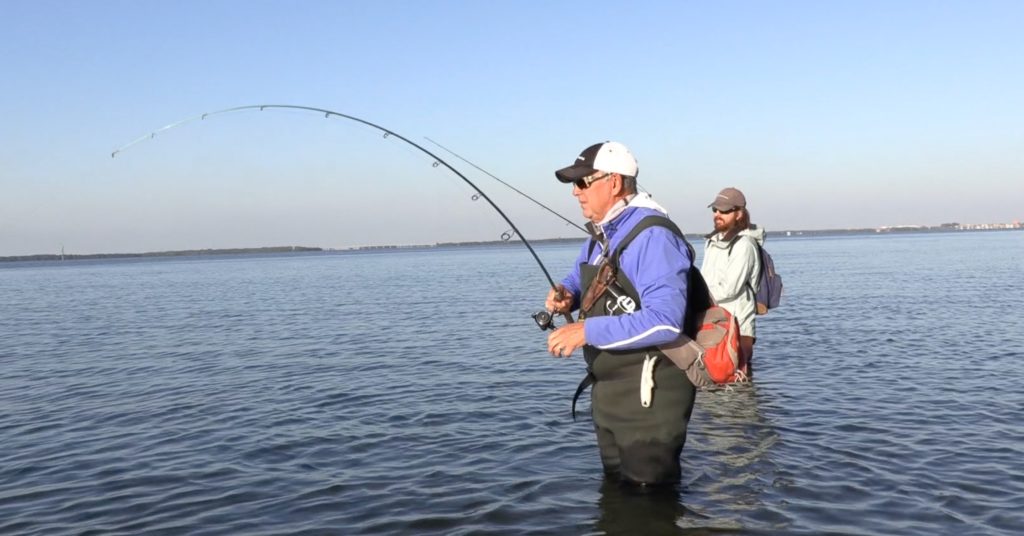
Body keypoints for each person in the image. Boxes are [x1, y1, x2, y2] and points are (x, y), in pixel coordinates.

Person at [544, 141, 697, 486]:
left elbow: (665, 321)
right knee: (617, 498)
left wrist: (585, 331)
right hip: (611, 395)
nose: (575, 193)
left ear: (613, 183)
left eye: (583, 182)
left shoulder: (652, 235)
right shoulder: (602, 233)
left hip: (649, 396)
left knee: (647, 504)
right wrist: (566, 294)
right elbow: (579, 275)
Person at [700, 187, 764, 379]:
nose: (718, 214)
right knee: (713, 381)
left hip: (737, 326)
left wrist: (697, 295)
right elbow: (704, 278)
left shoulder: (745, 245)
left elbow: (730, 288)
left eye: (725, 211)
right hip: (713, 323)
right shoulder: (712, 241)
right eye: (715, 210)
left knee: (738, 383)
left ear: (739, 213)